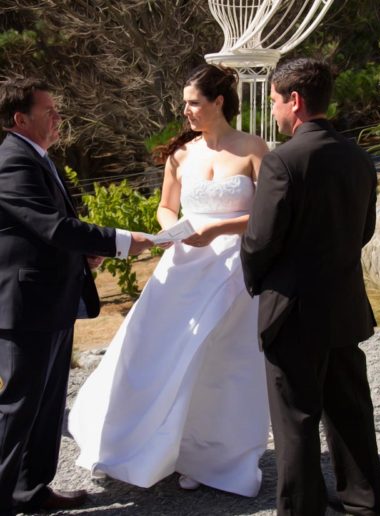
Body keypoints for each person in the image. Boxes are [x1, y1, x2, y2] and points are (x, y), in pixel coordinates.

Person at [69, 63, 270, 497]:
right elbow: (165, 206)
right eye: (184, 103)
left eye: (194, 102)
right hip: (184, 263)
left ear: (219, 102)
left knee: (222, 363)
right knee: (153, 349)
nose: (186, 111)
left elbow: (272, 212)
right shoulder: (181, 154)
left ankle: (215, 457)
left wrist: (217, 229)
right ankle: (145, 444)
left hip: (234, 266)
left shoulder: (253, 148)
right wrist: (173, 229)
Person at [240, 58, 380, 516]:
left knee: (296, 420)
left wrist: (257, 283)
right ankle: (364, 502)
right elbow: (364, 230)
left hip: (294, 311)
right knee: (351, 412)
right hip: (344, 304)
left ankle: (302, 510)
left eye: (277, 102)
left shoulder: (283, 161)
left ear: (295, 102)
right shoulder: (360, 158)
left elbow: (260, 241)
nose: (276, 113)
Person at [0, 77, 152, 516]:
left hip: (50, 300)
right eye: (50, 111)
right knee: (17, 407)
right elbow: (53, 226)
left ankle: (32, 491)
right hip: (24, 306)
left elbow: (43, 233)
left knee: (47, 405)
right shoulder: (13, 161)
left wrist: (83, 255)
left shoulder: (38, 157)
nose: (59, 118)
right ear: (20, 119)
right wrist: (121, 241)